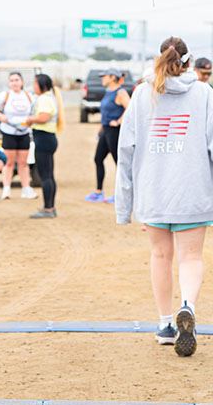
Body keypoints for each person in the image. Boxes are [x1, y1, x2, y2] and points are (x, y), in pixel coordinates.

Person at [116, 37, 213, 356]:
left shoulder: (142, 94)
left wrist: (124, 206)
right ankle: (188, 306)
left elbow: (125, 150)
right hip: (193, 191)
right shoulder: (204, 94)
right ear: (189, 62)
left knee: (160, 256)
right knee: (191, 257)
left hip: (153, 190)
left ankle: (165, 324)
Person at [0, 72, 37, 200]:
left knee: (23, 163)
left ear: (22, 82)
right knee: (9, 162)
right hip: (9, 132)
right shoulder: (5, 95)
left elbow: (35, 110)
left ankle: (26, 189)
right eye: (12, 80)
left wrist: (31, 120)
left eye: (17, 80)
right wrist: (0, 116)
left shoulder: (28, 96)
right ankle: (6, 189)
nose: (14, 82)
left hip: (24, 132)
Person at [85, 69, 130, 203]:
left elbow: (130, 109)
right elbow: (105, 113)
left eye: (104, 76)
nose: (102, 79)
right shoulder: (108, 91)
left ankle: (121, 196)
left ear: (112, 77)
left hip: (115, 131)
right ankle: (98, 192)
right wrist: (100, 130)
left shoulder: (120, 92)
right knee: (98, 159)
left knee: (119, 163)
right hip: (105, 130)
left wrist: (118, 121)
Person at [24, 74, 64, 219]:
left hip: (43, 138)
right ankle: (50, 207)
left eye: (35, 83)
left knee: (45, 176)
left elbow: (44, 117)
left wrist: (30, 119)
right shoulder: (48, 97)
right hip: (47, 138)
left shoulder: (44, 99)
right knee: (49, 175)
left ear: (42, 85)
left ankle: (48, 209)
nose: (33, 86)